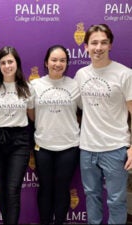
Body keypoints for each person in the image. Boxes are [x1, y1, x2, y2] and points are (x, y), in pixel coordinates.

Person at [74, 24, 132, 224]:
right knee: (92, 197)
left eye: (103, 42)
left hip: (115, 148)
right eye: (94, 43)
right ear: (86, 47)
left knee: (116, 201)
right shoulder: (81, 74)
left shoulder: (125, 74)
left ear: (110, 45)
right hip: (87, 148)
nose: (98, 47)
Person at [30, 45, 81, 225]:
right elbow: (31, 113)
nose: (58, 64)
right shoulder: (35, 85)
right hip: (43, 146)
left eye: (62, 60)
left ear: (67, 63)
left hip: (69, 146)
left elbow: (85, 111)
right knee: (45, 188)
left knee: (62, 189)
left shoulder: (75, 85)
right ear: (46, 62)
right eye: (54, 60)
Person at [0, 46, 33, 224]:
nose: (7, 65)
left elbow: (33, 116)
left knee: (13, 189)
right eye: (3, 62)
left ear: (17, 63)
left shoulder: (27, 88)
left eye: (10, 61)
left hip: (19, 141)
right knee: (1, 188)